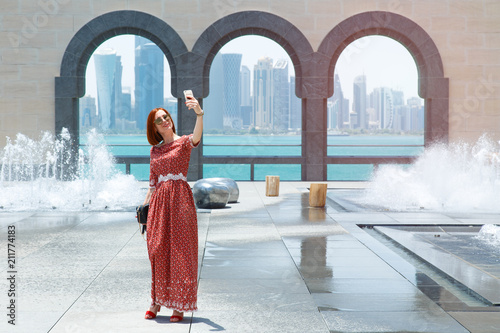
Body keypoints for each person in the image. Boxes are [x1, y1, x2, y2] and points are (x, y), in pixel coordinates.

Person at [142, 95, 203, 322]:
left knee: (180, 252)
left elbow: (197, 137)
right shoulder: (154, 151)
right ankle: (156, 301)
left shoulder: (184, 142)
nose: (164, 121)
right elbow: (152, 183)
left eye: (166, 117)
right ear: (154, 128)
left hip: (180, 201)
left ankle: (179, 305)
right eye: (159, 120)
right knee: (157, 250)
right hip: (158, 203)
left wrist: (199, 113)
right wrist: (144, 210)